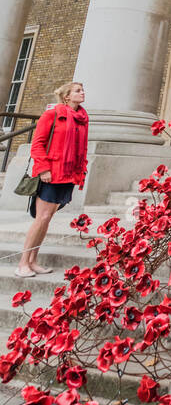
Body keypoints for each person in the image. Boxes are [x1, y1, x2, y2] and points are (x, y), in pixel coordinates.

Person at [16, 81, 88, 278]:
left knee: (47, 220)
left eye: (82, 90)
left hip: (68, 174)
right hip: (51, 174)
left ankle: (33, 261)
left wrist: (80, 172)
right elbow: (37, 144)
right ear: (66, 96)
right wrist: (43, 169)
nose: (82, 93)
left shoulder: (82, 118)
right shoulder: (52, 114)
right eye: (78, 91)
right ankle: (22, 263)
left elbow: (81, 149)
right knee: (42, 219)